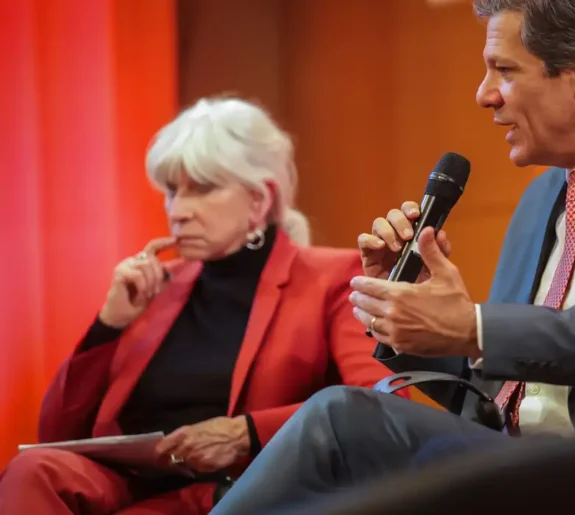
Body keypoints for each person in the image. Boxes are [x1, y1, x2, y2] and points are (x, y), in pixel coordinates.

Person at [210, 0, 575, 512]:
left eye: (504, 70)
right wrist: (416, 316)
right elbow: (496, 395)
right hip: (520, 467)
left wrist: (475, 327)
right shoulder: (544, 196)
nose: (484, 94)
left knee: (342, 421)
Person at [0, 97, 407, 514]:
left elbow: (381, 406)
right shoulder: (155, 285)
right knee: (33, 471)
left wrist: (246, 433)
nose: (178, 211)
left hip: (248, 491)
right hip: (128, 488)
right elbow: (56, 436)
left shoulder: (334, 278)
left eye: (203, 188)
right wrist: (109, 325)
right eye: (172, 191)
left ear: (259, 200)